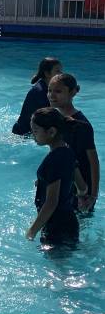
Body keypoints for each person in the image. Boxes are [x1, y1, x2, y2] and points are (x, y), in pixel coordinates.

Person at [26, 108, 86, 247]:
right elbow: (82, 187)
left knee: (56, 261)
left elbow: (51, 202)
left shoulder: (53, 160)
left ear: (51, 132)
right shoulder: (68, 152)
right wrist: (44, 181)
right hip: (70, 222)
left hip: (55, 226)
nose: (33, 135)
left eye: (35, 131)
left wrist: (32, 231)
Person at [47, 73, 99, 211]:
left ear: (73, 92)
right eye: (49, 90)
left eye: (58, 91)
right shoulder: (55, 119)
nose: (52, 95)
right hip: (64, 182)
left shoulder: (81, 125)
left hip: (81, 189)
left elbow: (94, 162)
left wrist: (93, 195)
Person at [12, 57, 62, 136]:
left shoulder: (45, 87)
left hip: (26, 130)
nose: (61, 74)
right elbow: (51, 117)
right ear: (47, 73)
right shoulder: (41, 92)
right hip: (24, 134)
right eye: (57, 71)